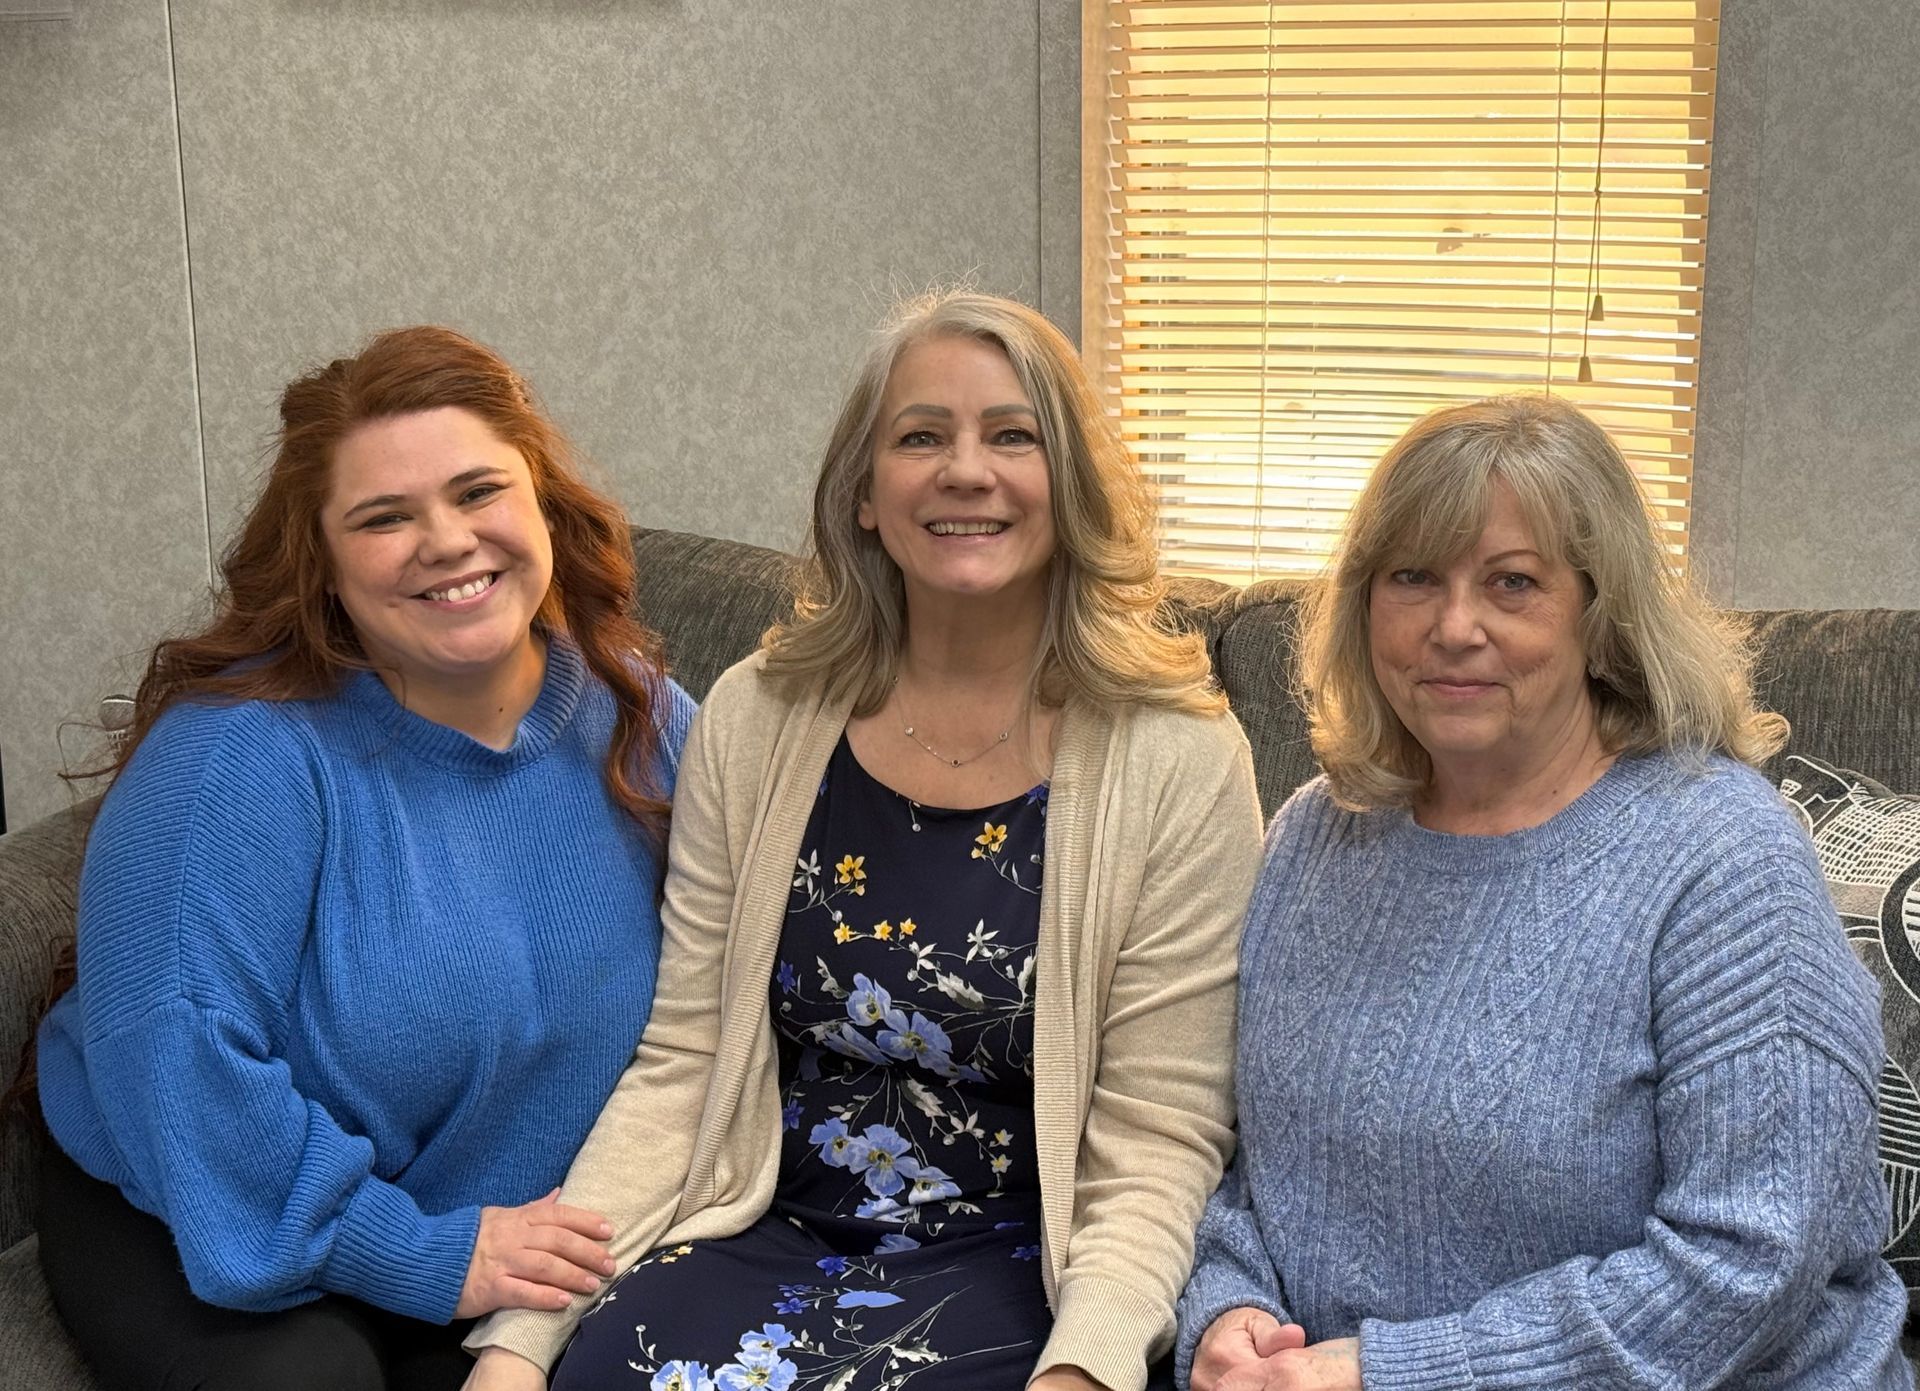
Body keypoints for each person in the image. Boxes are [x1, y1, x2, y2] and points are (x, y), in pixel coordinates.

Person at [460, 291, 1266, 1391]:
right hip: (762, 1216)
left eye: (1012, 435)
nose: (965, 470)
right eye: (921, 434)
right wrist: (518, 1338)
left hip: (1025, 1262)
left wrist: (1089, 1361)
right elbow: (686, 1063)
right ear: (867, 495)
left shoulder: (1178, 755)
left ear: (1070, 487)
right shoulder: (759, 714)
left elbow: (1161, 1131)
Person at [1176, 394, 1913, 1390]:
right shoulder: (1315, 832)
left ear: (1600, 616)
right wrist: (1230, 1304)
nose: (1454, 625)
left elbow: (1749, 1262)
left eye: (1513, 583)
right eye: (1413, 577)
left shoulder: (1724, 857)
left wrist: (1392, 1372)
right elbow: (1258, 1171)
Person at [33, 326, 697, 1391]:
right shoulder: (237, 752)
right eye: (385, 517)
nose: (446, 539)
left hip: (500, 1216)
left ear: (541, 504)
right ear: (326, 564)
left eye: (478, 491)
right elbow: (174, 1060)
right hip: (200, 1185)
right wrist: (436, 1255)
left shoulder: (641, 716)